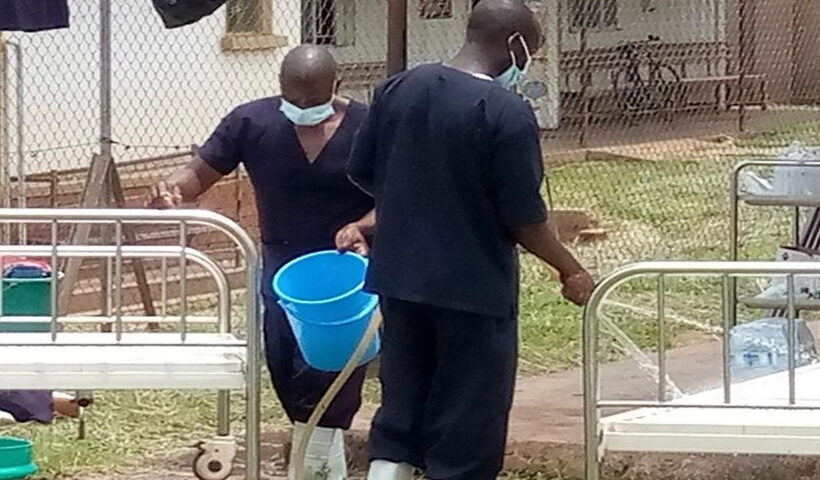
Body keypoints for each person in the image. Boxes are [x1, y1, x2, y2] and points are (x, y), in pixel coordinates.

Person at [337, 1, 595, 479]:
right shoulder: (505, 112)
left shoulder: (397, 89)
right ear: (516, 43)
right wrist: (571, 269)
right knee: (467, 423)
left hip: (400, 281)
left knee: (402, 406)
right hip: (472, 292)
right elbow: (524, 219)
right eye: (531, 50)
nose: (527, 62)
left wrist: (417, 204)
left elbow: (365, 172)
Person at [146, 44, 375, 480]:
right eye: (294, 100)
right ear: (280, 89)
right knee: (287, 374)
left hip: (346, 272)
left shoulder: (370, 127)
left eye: (315, 101)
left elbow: (400, 194)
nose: (303, 109)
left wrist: (363, 225)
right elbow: (199, 173)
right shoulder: (252, 122)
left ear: (338, 87)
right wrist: (173, 189)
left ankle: (319, 468)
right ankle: (314, 460)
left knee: (329, 376)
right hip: (281, 270)